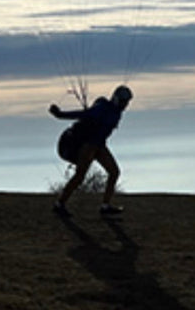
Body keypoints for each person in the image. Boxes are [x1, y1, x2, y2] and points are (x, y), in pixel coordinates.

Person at [49, 84, 133, 218]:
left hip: (99, 145)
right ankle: (59, 204)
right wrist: (60, 115)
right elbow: (81, 114)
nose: (125, 105)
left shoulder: (116, 112)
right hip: (88, 146)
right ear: (117, 99)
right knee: (80, 176)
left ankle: (105, 206)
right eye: (124, 102)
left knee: (114, 172)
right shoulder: (102, 108)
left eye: (127, 102)